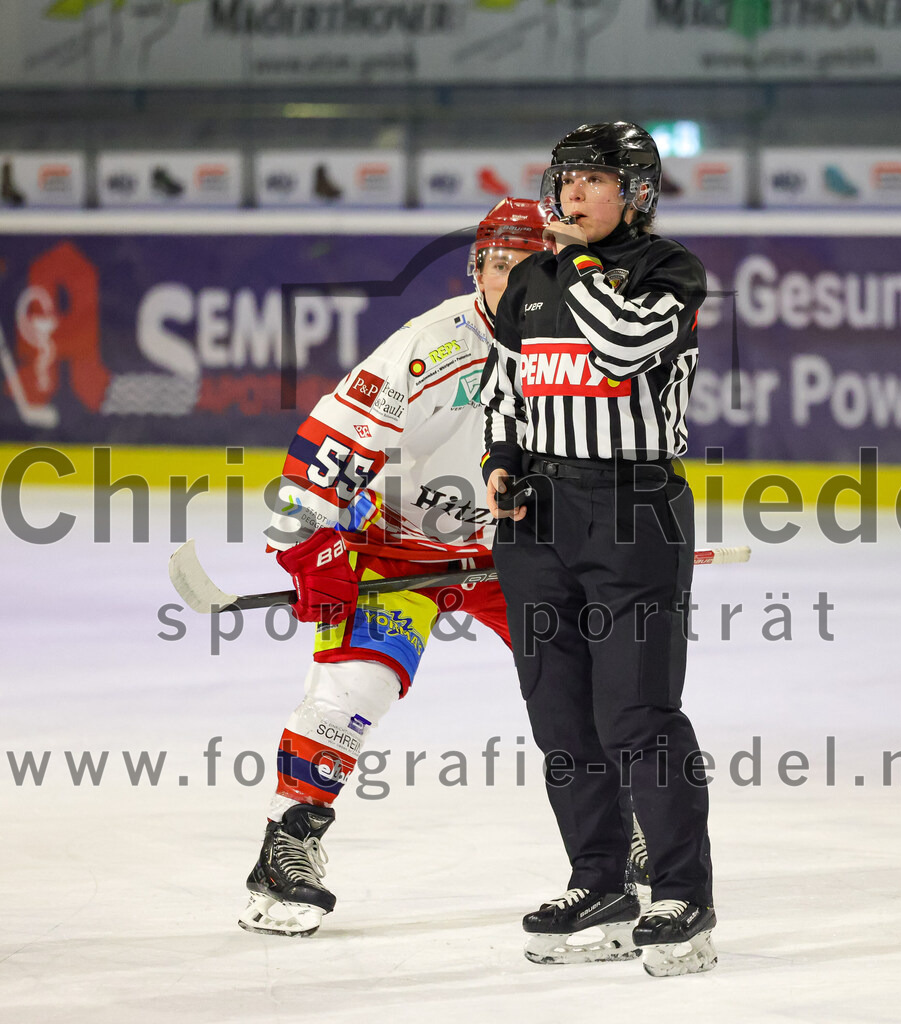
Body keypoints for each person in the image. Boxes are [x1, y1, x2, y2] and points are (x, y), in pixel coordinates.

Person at [238, 198, 549, 937]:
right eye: (500, 264)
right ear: (477, 267)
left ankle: (616, 842)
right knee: (354, 689)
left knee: (587, 685)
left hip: (517, 552)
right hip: (396, 545)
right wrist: (313, 547)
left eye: (532, 267)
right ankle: (287, 847)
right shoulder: (430, 348)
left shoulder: (581, 348)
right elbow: (319, 453)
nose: (514, 281)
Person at [480, 122, 716, 977]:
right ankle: (599, 881)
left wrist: (580, 264)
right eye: (564, 177)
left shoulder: (668, 272)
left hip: (631, 508)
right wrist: (500, 461)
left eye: (592, 178)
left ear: (637, 191)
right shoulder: (529, 281)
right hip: (538, 520)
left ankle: (683, 894)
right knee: (562, 718)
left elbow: (618, 350)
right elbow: (504, 390)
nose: (571, 191)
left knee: (637, 714)